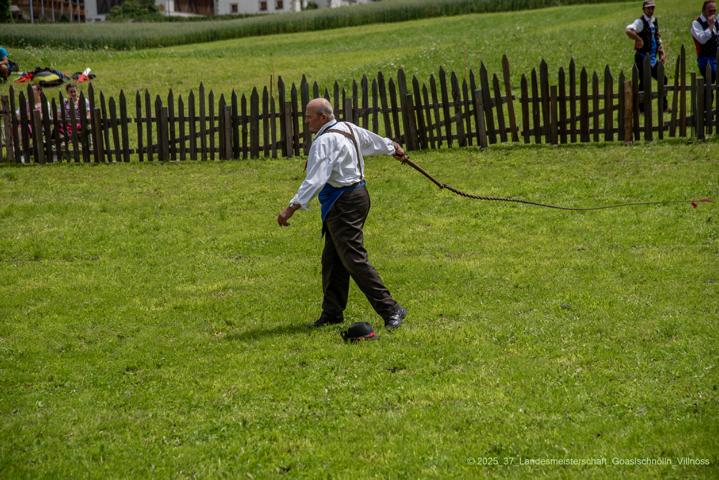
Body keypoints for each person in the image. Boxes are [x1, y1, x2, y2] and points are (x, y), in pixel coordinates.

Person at [277, 98, 408, 330]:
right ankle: (332, 313)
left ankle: (391, 309)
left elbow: (315, 180)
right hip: (356, 198)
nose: (306, 121)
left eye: (309, 116)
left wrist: (290, 209)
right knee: (333, 259)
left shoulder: (324, 141)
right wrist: (392, 147)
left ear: (323, 117)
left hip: (344, 203)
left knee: (354, 259)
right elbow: (372, 141)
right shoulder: (346, 127)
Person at [625, 0, 668, 110]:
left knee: (663, 79)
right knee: (644, 82)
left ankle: (663, 106)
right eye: (648, 8)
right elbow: (628, 30)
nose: (651, 10)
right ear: (643, 9)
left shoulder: (654, 20)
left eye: (652, 7)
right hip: (642, 57)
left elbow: (656, 36)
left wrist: (661, 51)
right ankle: (641, 108)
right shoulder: (640, 22)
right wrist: (638, 39)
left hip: (652, 58)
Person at [691, 1, 718, 84]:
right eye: (710, 11)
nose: (713, 13)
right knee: (712, 75)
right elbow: (702, 40)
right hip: (705, 58)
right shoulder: (696, 23)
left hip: (716, 57)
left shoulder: (716, 21)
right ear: (703, 11)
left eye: (714, 10)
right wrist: (710, 26)